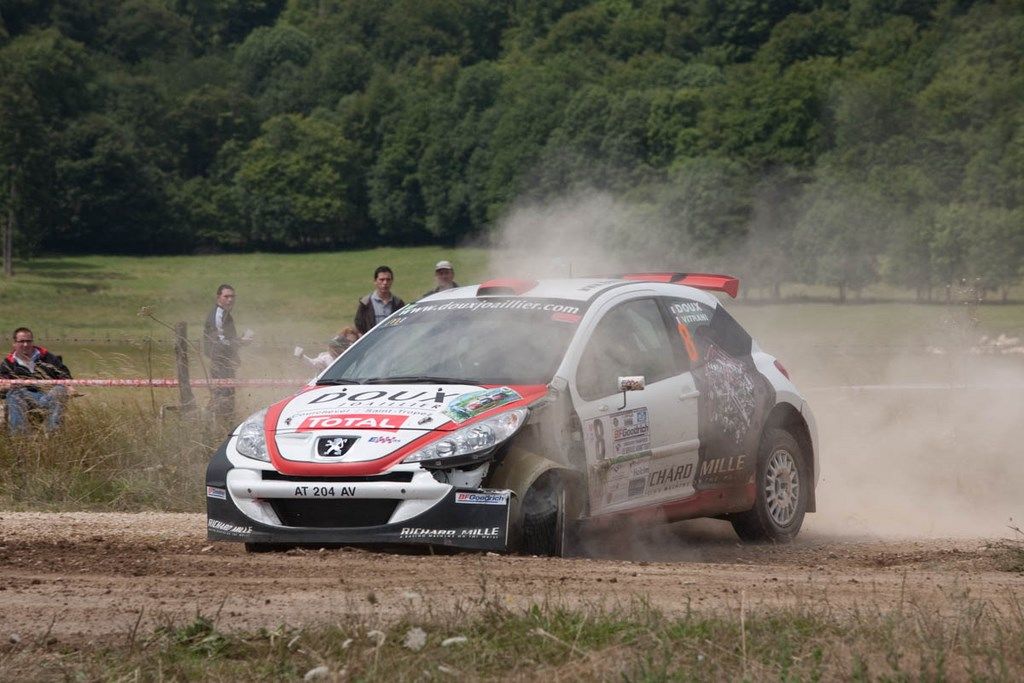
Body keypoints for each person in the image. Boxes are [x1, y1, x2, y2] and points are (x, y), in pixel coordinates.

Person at [0, 327, 73, 434]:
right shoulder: (8, 363)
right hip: (24, 397)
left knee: (60, 390)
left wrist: (68, 386)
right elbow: (2, 383)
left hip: (48, 394)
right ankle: (20, 439)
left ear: (32, 342)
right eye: (21, 341)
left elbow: (64, 374)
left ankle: (53, 435)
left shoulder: (47, 357)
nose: (25, 344)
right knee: (14, 394)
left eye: (28, 341)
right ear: (14, 344)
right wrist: (5, 385)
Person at [203, 284, 251, 421]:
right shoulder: (218, 314)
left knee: (226, 398)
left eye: (232, 296)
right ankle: (211, 424)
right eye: (226, 296)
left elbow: (225, 340)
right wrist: (240, 341)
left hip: (226, 363)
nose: (230, 299)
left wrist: (239, 341)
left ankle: (221, 426)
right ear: (218, 297)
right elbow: (219, 342)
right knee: (223, 398)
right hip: (220, 363)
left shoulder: (225, 314)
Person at [354, 266, 406, 334]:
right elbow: (359, 324)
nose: (385, 283)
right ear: (375, 281)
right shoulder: (365, 303)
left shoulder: (398, 304)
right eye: (381, 279)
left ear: (392, 281)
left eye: (388, 279)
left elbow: (404, 324)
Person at [296, 326, 360, 371]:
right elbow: (313, 363)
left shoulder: (356, 358)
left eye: (352, 342)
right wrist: (301, 356)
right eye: (347, 341)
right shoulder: (326, 358)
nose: (350, 344)